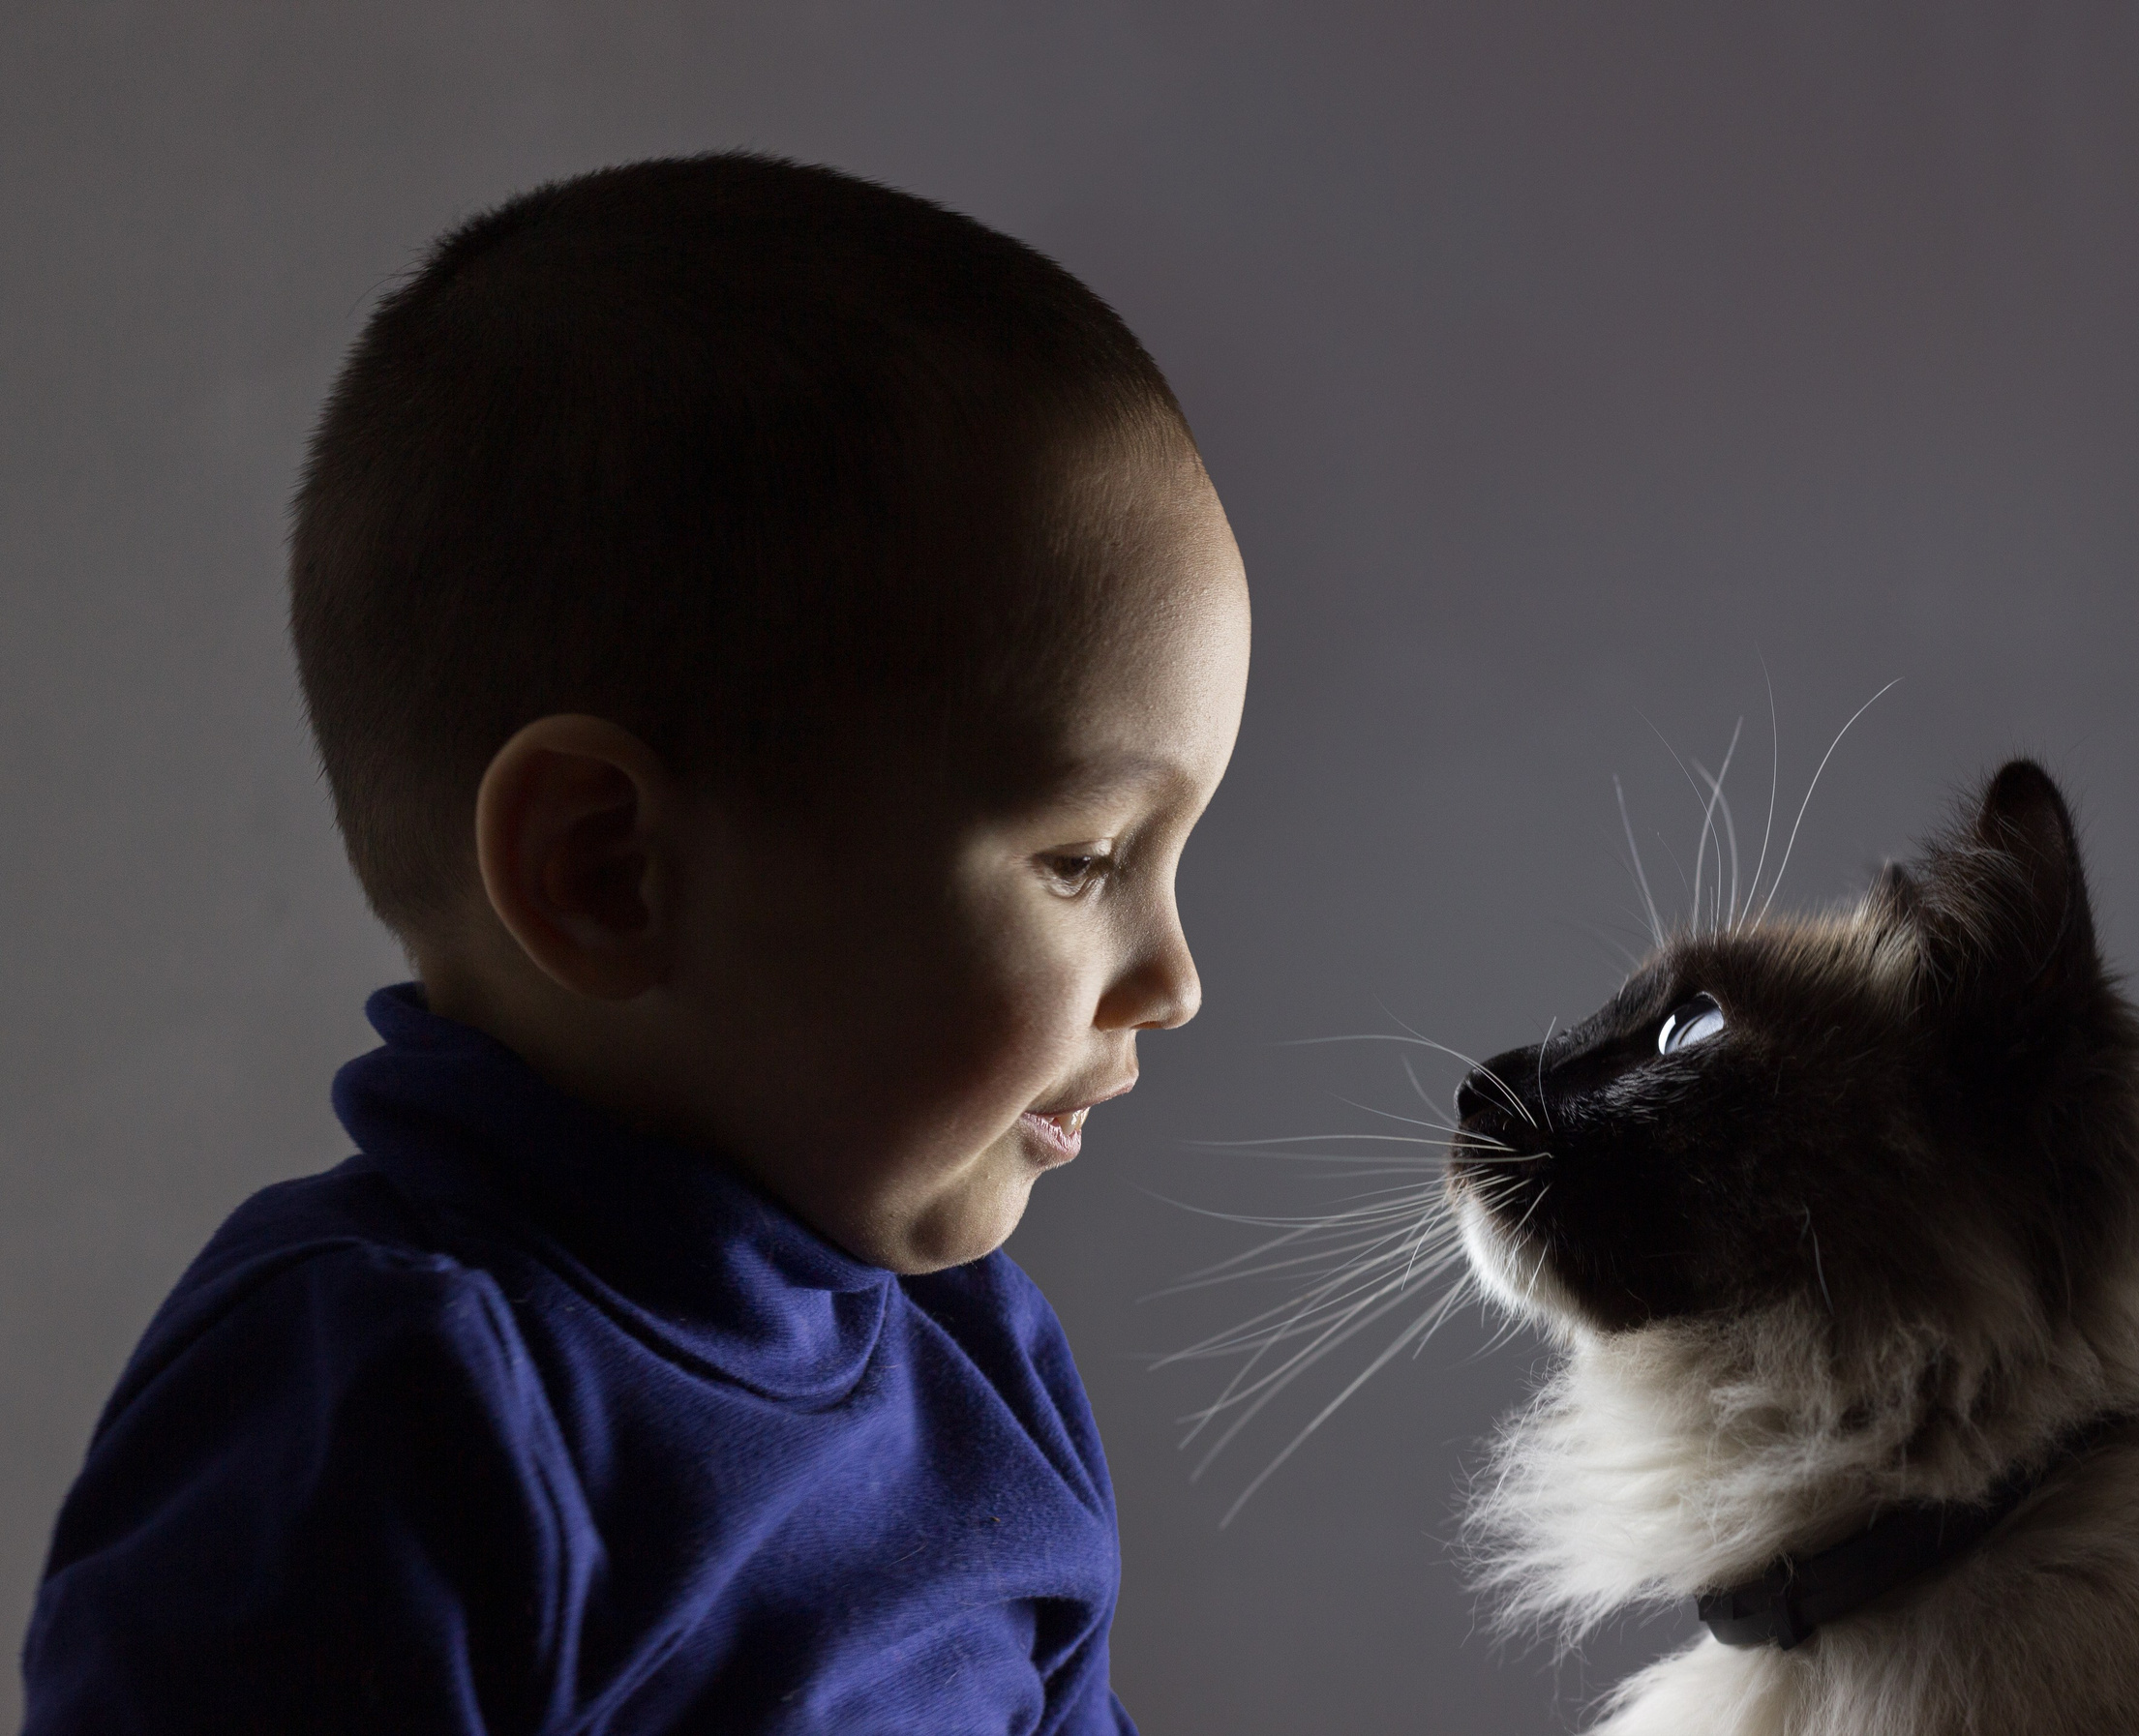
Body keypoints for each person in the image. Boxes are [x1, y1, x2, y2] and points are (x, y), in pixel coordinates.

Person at [20, 152, 1249, 1733]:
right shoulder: (399, 1400)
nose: (1175, 976)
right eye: (1084, 858)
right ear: (605, 871)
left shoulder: (975, 1360)